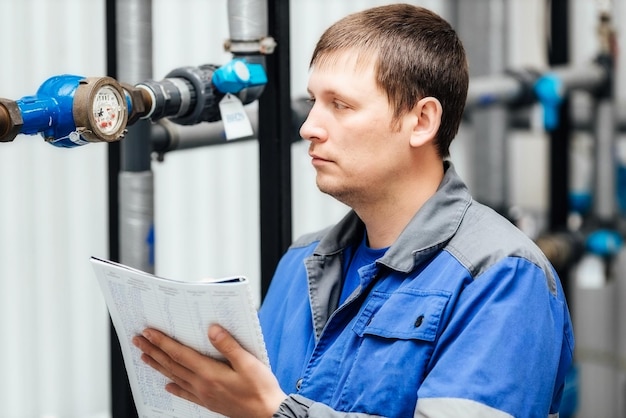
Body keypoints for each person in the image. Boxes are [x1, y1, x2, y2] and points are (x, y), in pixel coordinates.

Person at [132, 4, 574, 417]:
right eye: (312, 102)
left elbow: (269, 405)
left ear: (421, 121)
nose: (309, 128)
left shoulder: (501, 276)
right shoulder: (300, 263)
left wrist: (273, 412)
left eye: (340, 105)